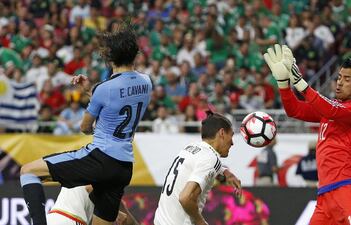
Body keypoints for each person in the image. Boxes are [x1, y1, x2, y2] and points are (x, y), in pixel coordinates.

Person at [20, 24, 152, 225]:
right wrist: (92, 91)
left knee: (28, 171)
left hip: (100, 158)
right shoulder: (146, 82)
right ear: (135, 54)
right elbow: (121, 100)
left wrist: (93, 97)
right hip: (124, 166)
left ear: (109, 58)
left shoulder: (105, 88)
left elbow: (84, 127)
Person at [264, 44, 351, 224]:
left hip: (348, 187)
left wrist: (300, 82)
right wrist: (283, 84)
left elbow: (332, 110)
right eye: (338, 77)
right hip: (325, 194)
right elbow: (295, 110)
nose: (339, 82)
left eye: (347, 79)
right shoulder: (330, 109)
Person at [154, 111, 242, 225]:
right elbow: (185, 198)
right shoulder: (210, 158)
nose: (232, 143)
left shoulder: (191, 147)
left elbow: (207, 163)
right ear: (222, 133)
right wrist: (201, 222)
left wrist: (226, 172)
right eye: (231, 135)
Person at [46, 186, 139, 225]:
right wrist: (115, 213)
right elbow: (90, 188)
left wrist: (115, 212)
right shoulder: (103, 166)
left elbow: (116, 203)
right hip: (70, 219)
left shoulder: (81, 162)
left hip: (53, 217)